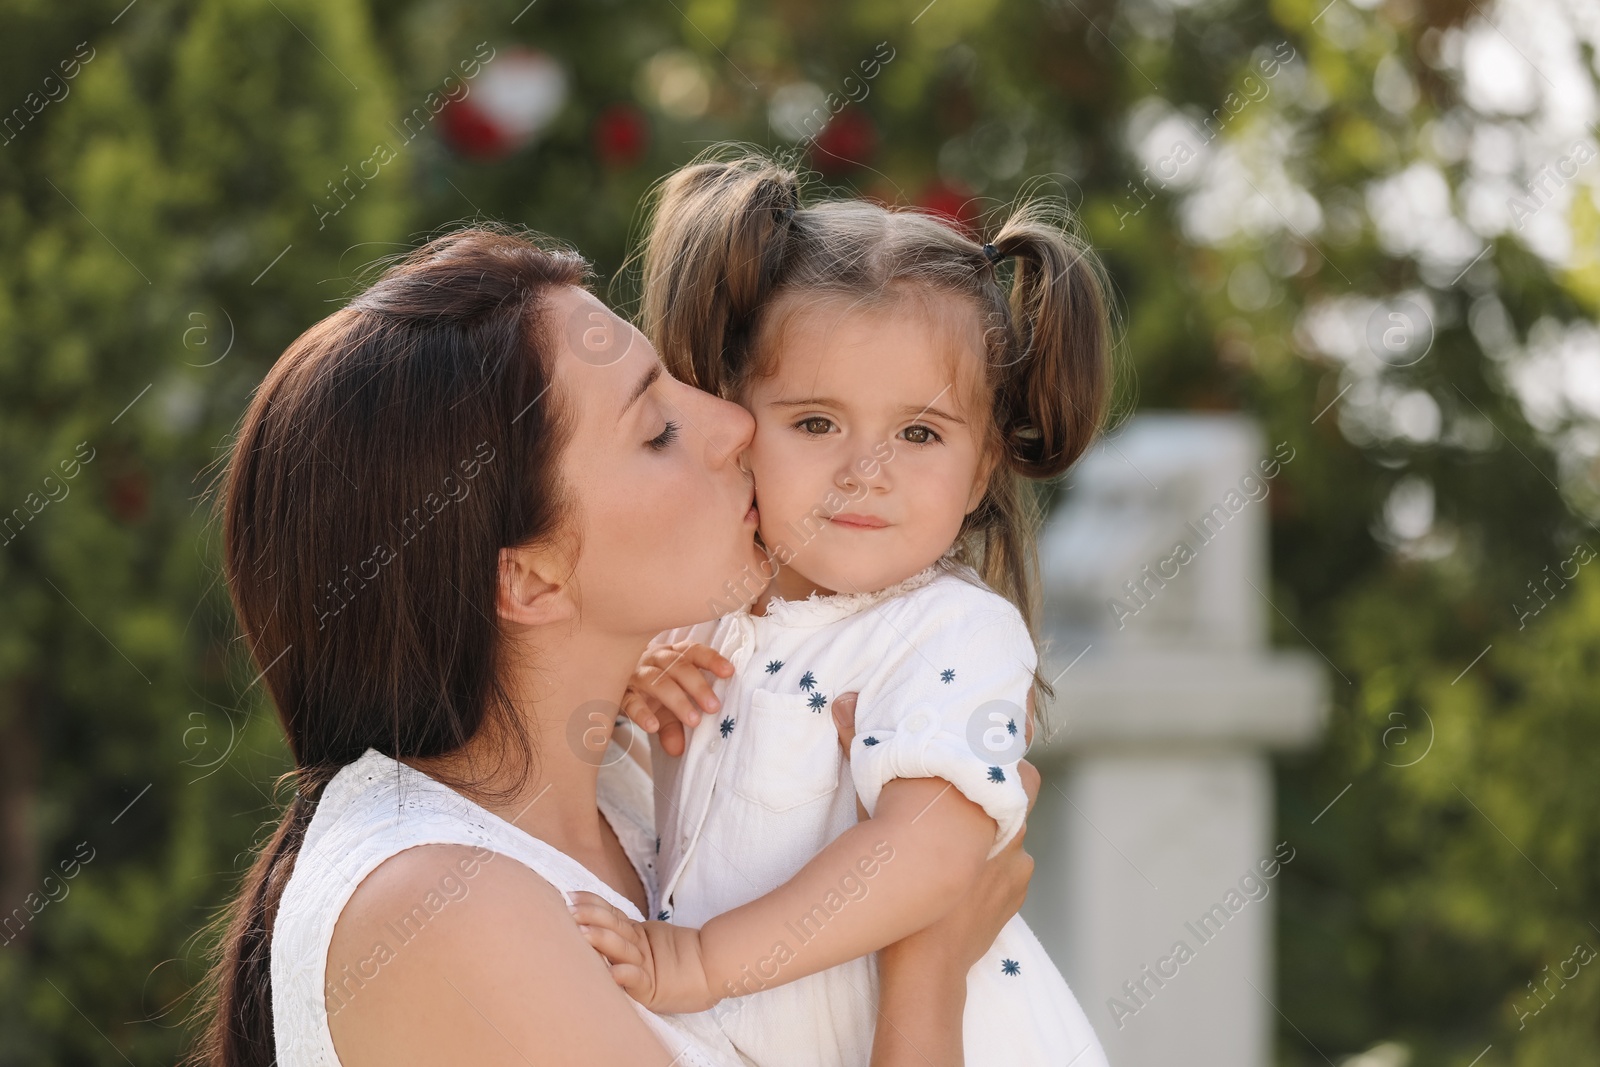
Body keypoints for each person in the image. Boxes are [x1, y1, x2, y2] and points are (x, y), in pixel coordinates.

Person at [191, 225, 1040, 1067]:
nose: (733, 422)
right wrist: (929, 965)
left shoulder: (648, 802)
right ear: (530, 579)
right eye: (657, 428)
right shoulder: (443, 910)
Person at [575, 157, 1115, 1067]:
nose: (867, 471)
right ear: (739, 422)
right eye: (818, 423)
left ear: (981, 466)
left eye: (919, 433)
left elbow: (932, 853)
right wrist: (627, 681)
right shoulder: (695, 617)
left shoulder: (952, 633)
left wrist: (706, 959)